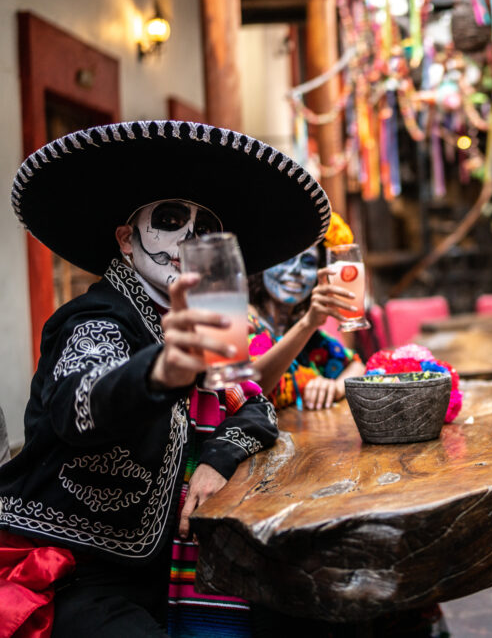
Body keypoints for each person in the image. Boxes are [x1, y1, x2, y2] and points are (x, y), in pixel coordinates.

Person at [0, 120, 333, 637]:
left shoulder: (201, 320)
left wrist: (216, 461)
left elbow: (255, 404)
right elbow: (80, 405)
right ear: (126, 240)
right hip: (75, 572)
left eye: (204, 230)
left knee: (314, 609)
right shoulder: (94, 319)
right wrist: (164, 370)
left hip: (175, 562)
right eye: (173, 219)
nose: (188, 240)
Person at [247, 212, 366, 411]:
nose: (296, 270)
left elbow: (357, 366)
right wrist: (308, 323)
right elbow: (249, 389)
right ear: (263, 264)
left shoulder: (305, 336)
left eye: (308, 262)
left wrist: (334, 387)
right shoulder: (243, 321)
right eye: (285, 258)